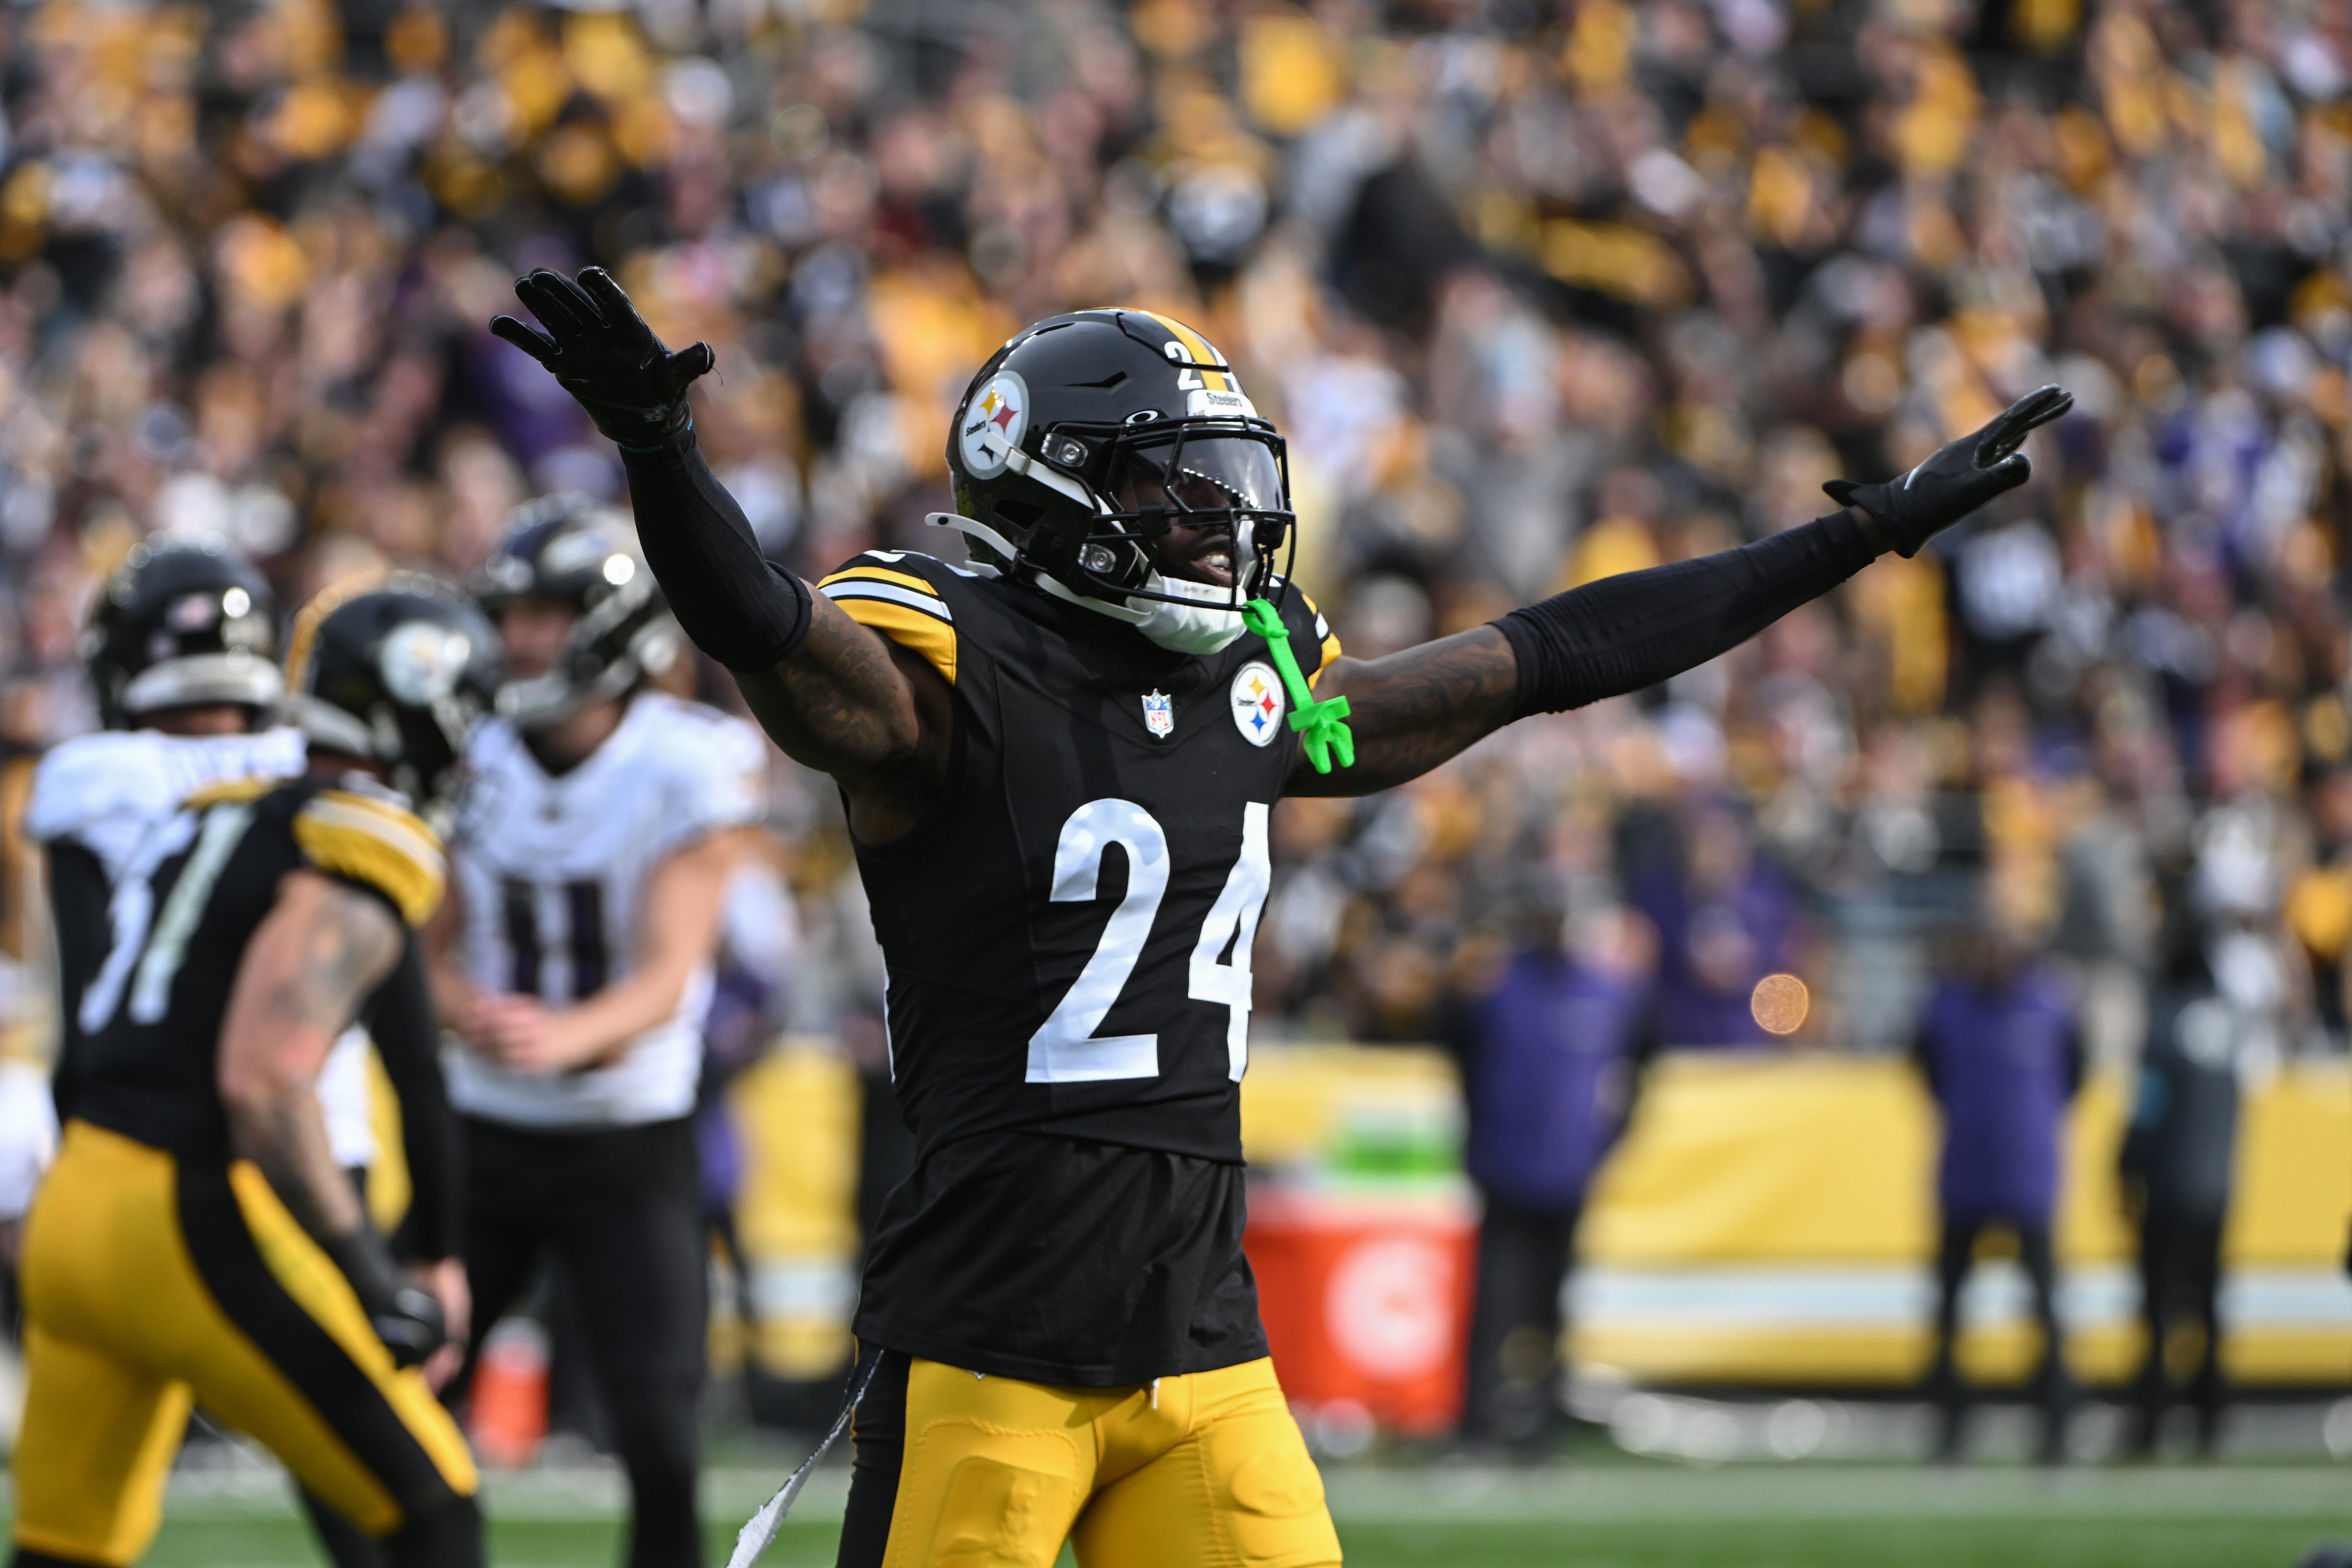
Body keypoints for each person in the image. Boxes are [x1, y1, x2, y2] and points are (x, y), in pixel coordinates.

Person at [491, 264, 2068, 1565]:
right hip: (989, 1343)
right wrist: (660, 451)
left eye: (1225, 489)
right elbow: (769, 634)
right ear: (1050, 490)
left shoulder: (1254, 682)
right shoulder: (948, 669)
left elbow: (1548, 655)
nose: (1219, 527)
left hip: (1202, 1343)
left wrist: (1852, 536)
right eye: (1173, 493)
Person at [9, 576, 498, 1568]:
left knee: (66, 1550)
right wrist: (369, 1273)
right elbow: (266, 1083)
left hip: (76, 1204)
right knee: (434, 1508)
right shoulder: (356, 834)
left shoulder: (210, 811)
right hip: (181, 1213)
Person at [428, 495, 764, 1568]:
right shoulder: (468, 749)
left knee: (660, 1435)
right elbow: (425, 944)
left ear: (609, 623)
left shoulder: (686, 760)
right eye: (511, 615)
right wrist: (461, 1008)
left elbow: (670, 973)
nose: (522, 638)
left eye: (546, 613)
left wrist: (561, 1039)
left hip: (627, 1136)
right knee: (412, 1405)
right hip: (483, 1130)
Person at [1452, 897, 1654, 1455]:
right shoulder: (1499, 987)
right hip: (1505, 1170)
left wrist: (1604, 1144)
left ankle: (1542, 1429)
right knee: (1494, 1305)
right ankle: (1478, 1425)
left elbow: (1639, 1068)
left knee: (1553, 1309)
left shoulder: (1610, 994)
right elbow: (1461, 1055)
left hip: (1566, 1174)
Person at [1913, 907, 2084, 1464]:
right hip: (1965, 1175)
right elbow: (1925, 1070)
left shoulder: (2050, 1004)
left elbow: (2075, 1074)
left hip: (2028, 1177)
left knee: (2044, 1307)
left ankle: (2055, 1426)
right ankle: (1951, 1428)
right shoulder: (1948, 1006)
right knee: (1948, 1309)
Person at [2120, 883, 2246, 1457]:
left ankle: (2150, 1421)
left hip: (2170, 1186)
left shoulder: (2166, 1015)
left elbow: (2149, 1101)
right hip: (2217, 1183)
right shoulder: (2229, 1015)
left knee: (2158, 1310)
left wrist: (2126, 1164)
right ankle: (2211, 1418)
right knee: (2208, 1308)